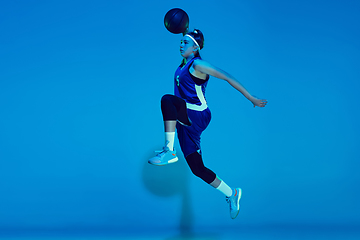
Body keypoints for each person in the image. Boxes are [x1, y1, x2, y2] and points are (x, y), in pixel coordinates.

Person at [148, 29, 267, 219]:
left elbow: (227, 76)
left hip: (196, 114)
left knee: (167, 100)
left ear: (196, 47)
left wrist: (250, 97)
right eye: (180, 42)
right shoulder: (181, 67)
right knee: (197, 168)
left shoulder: (198, 64)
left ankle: (168, 150)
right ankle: (232, 193)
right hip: (183, 120)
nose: (181, 44)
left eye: (185, 42)